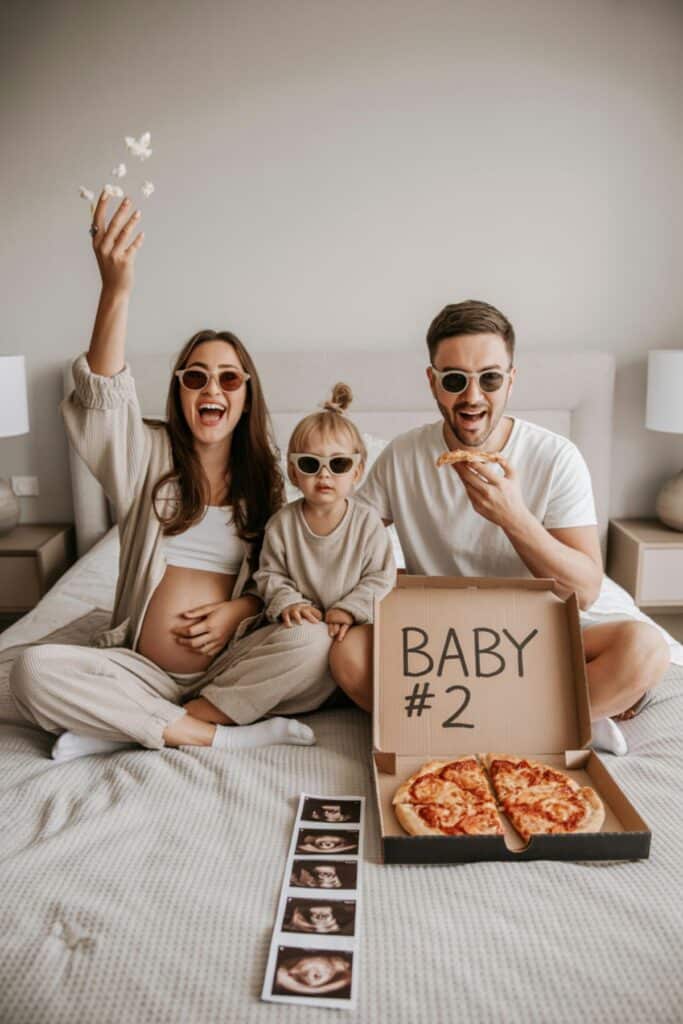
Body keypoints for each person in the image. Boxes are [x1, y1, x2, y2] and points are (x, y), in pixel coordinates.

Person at [9, 191, 332, 761]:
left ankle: (137, 727)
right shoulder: (146, 456)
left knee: (313, 644)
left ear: (246, 394)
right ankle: (211, 735)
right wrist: (117, 289)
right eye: (196, 377)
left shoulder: (271, 481)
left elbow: (285, 581)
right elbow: (105, 395)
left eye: (229, 379)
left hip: (229, 668)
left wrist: (239, 610)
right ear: (179, 390)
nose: (212, 389)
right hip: (136, 667)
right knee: (31, 670)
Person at [336, 300, 670, 748]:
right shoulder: (402, 456)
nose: (472, 397)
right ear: (433, 382)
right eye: (455, 380)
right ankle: (561, 721)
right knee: (347, 655)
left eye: (489, 378)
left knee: (647, 650)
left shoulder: (555, 457)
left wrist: (514, 518)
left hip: (537, 637)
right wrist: (397, 584)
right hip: (437, 640)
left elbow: (586, 590)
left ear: (511, 380)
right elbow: (346, 547)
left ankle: (465, 726)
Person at [253, 383, 395, 702]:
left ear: (357, 471)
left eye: (339, 464)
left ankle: (375, 712)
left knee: (361, 655)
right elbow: (270, 575)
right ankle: (298, 698)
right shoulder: (282, 524)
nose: (324, 475)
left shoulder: (367, 523)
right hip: (308, 624)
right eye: (310, 464)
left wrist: (350, 609)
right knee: (289, 645)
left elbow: (382, 577)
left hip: (355, 625)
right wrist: (289, 603)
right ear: (293, 472)